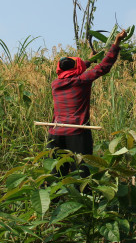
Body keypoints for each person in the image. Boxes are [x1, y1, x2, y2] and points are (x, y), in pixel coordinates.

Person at [48, 30, 127, 176]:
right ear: (77, 69)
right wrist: (116, 42)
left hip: (55, 133)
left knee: (56, 175)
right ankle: (83, 198)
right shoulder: (81, 81)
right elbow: (103, 67)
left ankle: (55, 199)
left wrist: (89, 61)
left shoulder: (55, 84)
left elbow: (75, 70)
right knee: (81, 174)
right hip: (76, 133)